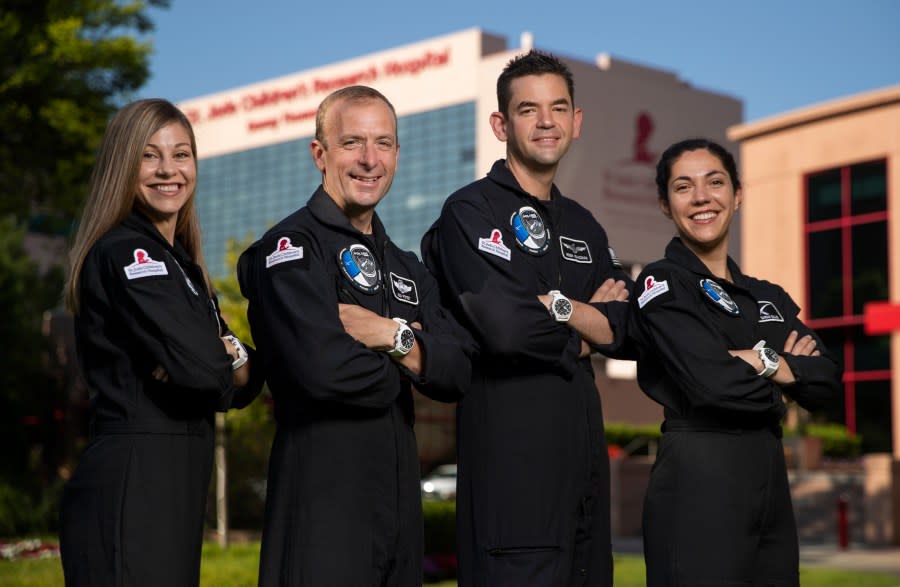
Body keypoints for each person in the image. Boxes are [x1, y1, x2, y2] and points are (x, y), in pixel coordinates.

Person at [237, 85, 474, 587]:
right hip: (322, 504)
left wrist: (389, 336)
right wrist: (411, 363)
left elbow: (457, 370)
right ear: (319, 154)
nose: (369, 160)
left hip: (398, 510)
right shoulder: (290, 248)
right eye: (352, 143)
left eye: (383, 143)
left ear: (397, 154)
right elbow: (320, 370)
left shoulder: (408, 268)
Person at [421, 50, 632, 587]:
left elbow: (628, 328)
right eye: (527, 109)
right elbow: (505, 327)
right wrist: (586, 326)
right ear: (501, 123)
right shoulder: (470, 213)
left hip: (583, 482)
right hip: (511, 482)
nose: (546, 121)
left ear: (576, 122)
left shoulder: (585, 225)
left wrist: (556, 308)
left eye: (558, 108)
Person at [59, 98, 263, 586]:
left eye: (181, 154)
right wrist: (216, 356)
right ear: (123, 165)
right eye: (149, 156)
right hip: (133, 482)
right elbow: (204, 369)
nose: (168, 170)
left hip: (172, 482)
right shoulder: (127, 252)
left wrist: (220, 354)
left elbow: (245, 379)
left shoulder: (184, 265)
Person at [630, 138, 841, 586]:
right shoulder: (661, 282)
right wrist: (783, 368)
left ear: (737, 194)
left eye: (716, 182)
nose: (702, 197)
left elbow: (826, 384)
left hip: (768, 477)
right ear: (666, 205)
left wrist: (759, 361)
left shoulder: (767, 295)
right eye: (683, 187)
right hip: (697, 477)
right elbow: (710, 383)